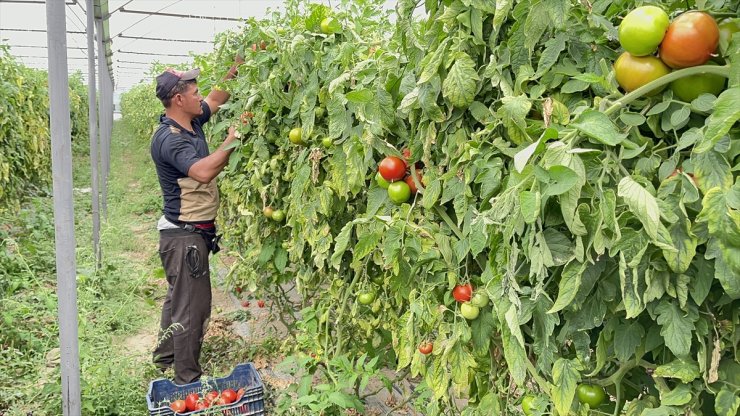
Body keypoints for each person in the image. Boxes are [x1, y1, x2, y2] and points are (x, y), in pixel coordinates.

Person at [150, 58, 241, 385]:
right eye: (194, 91)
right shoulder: (170, 138)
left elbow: (217, 98)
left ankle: (163, 360)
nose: (200, 96)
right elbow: (202, 173)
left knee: (178, 299)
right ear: (179, 99)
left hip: (185, 234)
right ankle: (186, 380)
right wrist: (233, 139)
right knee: (193, 309)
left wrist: (240, 66)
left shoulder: (191, 120)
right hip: (184, 237)